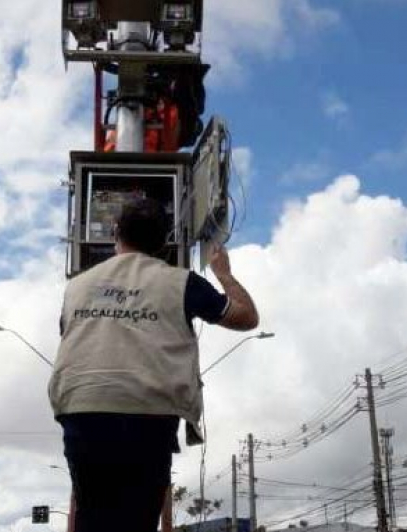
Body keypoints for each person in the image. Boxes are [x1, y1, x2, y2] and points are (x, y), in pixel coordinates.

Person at [49, 196, 260, 532]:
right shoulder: (182, 282)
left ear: (116, 233)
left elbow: (69, 333)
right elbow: (247, 317)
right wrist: (225, 274)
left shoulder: (77, 287)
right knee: (137, 519)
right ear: (164, 244)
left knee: (92, 514)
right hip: (148, 412)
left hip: (83, 408)